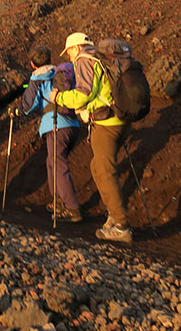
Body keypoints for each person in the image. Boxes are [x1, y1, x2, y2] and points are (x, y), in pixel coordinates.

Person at [52, 33, 132, 243]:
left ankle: (121, 225)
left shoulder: (84, 60)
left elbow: (83, 93)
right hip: (119, 119)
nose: (68, 56)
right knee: (97, 167)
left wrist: (59, 97)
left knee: (105, 171)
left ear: (77, 47)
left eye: (69, 50)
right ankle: (113, 217)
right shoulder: (100, 58)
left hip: (106, 123)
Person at [11, 46, 82, 222]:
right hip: (73, 124)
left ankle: (72, 209)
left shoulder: (37, 79)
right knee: (53, 163)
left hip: (56, 125)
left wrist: (17, 112)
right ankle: (58, 203)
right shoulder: (61, 74)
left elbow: (28, 106)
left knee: (58, 164)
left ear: (32, 64)